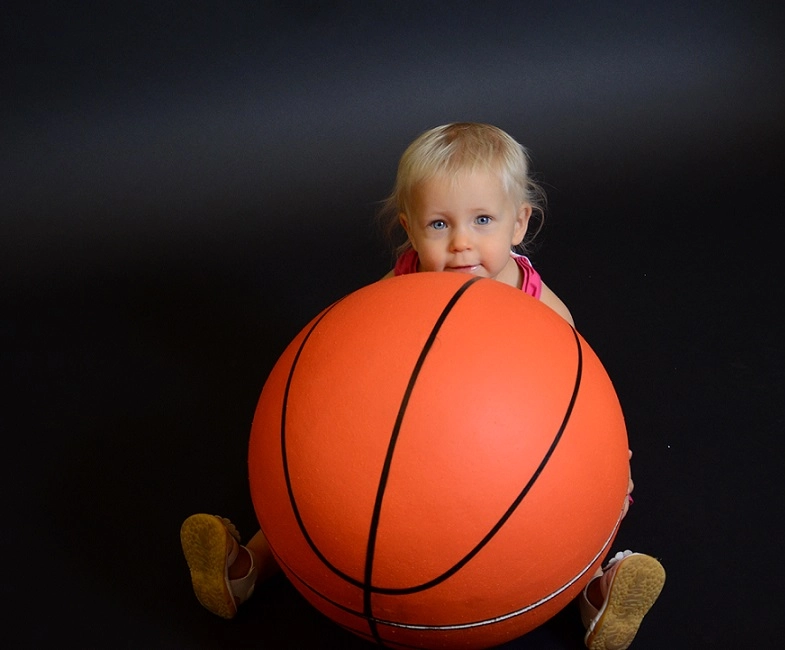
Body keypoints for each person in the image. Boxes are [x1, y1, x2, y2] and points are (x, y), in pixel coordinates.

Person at [181, 122, 665, 649]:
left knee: (591, 499)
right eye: (439, 224)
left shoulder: (539, 303)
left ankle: (598, 594)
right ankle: (244, 568)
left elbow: (580, 398)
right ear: (410, 231)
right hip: (410, 445)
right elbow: (358, 341)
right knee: (309, 491)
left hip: (502, 463)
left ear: (519, 222)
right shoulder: (403, 284)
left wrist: (609, 457)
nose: (461, 244)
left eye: (483, 220)